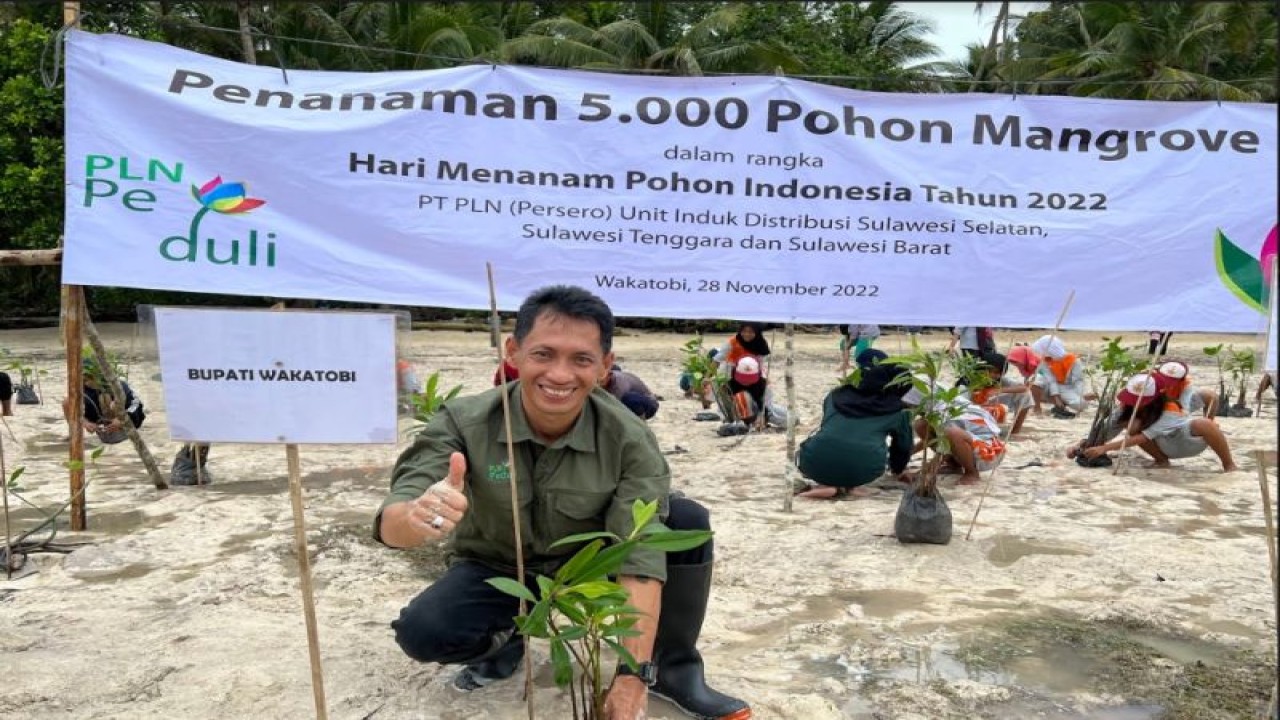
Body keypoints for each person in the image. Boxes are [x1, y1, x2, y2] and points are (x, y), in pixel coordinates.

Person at [375, 285, 750, 720]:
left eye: (581, 359)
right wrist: (416, 518)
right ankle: (503, 643)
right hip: (497, 568)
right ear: (513, 352)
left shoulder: (628, 436)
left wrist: (631, 675)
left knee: (685, 520)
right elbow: (394, 519)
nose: (559, 375)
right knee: (424, 632)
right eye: (543, 354)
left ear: (605, 366)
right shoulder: (464, 421)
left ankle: (672, 670)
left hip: (590, 567)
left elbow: (639, 553)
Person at [795, 349, 912, 499]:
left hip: (813, 464)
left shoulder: (835, 396)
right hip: (865, 471)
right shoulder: (899, 411)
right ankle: (848, 487)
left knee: (825, 447)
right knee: (861, 456)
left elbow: (828, 427)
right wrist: (898, 470)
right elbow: (903, 446)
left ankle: (828, 486)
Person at [1078, 373, 1239, 472]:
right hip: (1160, 444)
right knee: (1132, 425)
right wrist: (1086, 443)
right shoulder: (1128, 405)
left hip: (1183, 442)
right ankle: (1161, 461)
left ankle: (1229, 465)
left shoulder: (1170, 410)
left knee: (1205, 424)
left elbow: (1142, 438)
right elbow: (1111, 424)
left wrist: (1104, 448)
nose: (1134, 402)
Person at [911, 398, 1006, 486]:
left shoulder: (945, 414)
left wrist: (922, 473)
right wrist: (908, 453)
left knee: (953, 433)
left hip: (987, 452)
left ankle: (971, 472)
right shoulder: (941, 406)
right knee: (921, 425)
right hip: (969, 440)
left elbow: (944, 447)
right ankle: (954, 465)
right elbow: (930, 439)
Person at [63, 359, 146, 444]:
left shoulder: (118, 385)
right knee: (67, 401)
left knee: (113, 404)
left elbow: (135, 404)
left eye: (87, 379)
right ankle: (75, 434)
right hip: (101, 421)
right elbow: (71, 407)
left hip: (127, 420)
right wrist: (86, 423)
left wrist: (122, 420)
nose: (85, 382)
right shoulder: (82, 390)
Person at [969, 352, 1033, 435]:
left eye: (998, 373)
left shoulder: (1000, 380)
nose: (995, 375)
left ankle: (1015, 431)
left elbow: (1024, 388)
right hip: (974, 412)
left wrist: (1000, 390)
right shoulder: (970, 380)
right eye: (992, 372)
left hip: (993, 407)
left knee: (1025, 395)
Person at [1029, 334, 1087, 419]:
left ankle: (1060, 404)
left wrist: (1079, 395)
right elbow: (1051, 379)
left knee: (1080, 405)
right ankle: (1037, 408)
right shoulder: (1044, 360)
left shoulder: (1073, 361)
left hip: (1067, 388)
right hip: (1049, 385)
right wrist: (1056, 397)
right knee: (1036, 380)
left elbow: (1078, 381)